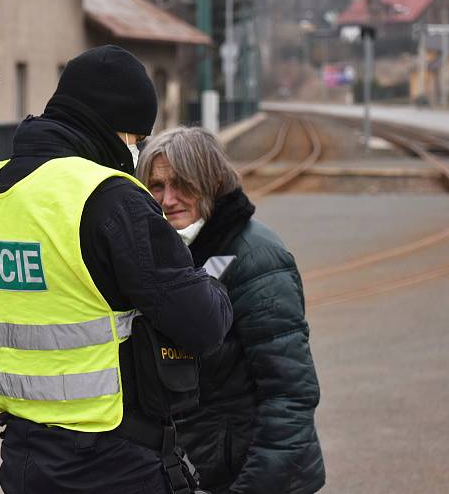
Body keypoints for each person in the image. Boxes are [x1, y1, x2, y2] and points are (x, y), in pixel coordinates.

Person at [0, 46, 233, 494]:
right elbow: (202, 324)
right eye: (136, 138)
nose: (134, 150)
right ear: (116, 129)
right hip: (115, 463)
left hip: (23, 458)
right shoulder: (110, 198)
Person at [136, 127, 325, 494]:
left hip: (246, 475)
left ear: (212, 183)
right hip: (194, 471)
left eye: (182, 184)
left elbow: (289, 395)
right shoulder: (164, 252)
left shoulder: (255, 256)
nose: (168, 199)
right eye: (156, 186)